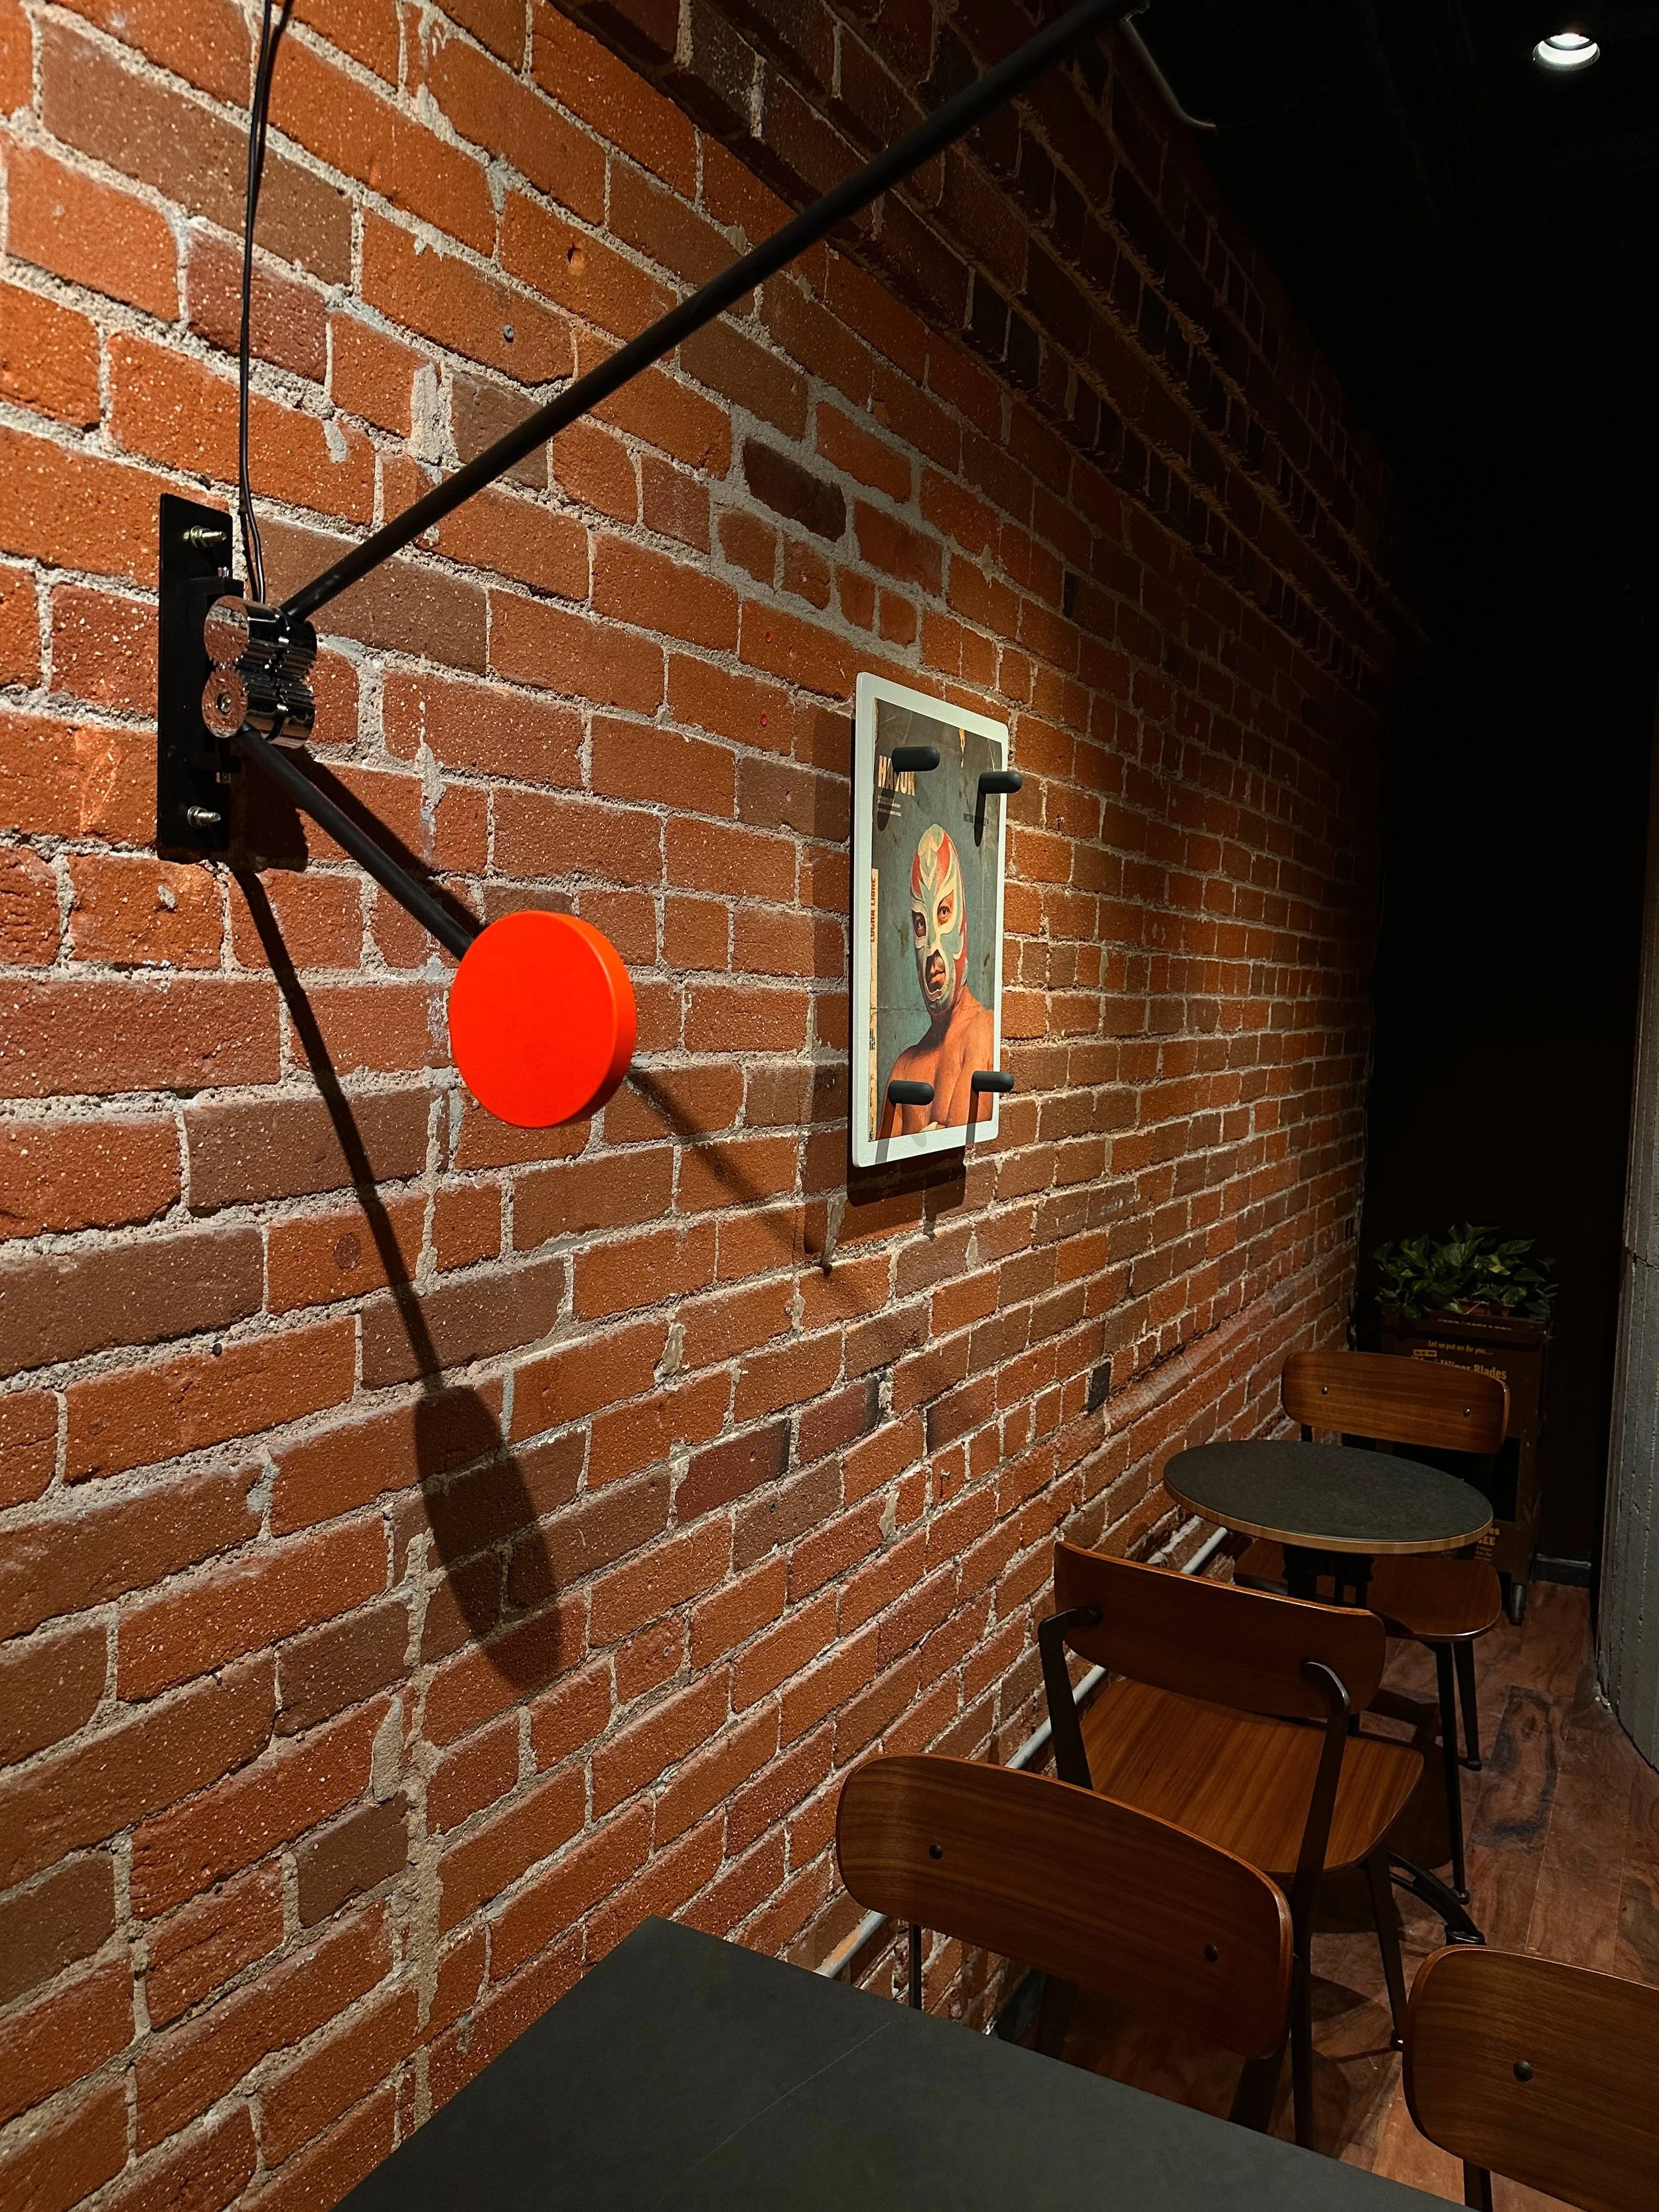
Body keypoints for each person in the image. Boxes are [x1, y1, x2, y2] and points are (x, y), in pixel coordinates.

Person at [879, 822, 994, 1136]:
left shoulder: (984, 1031)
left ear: (963, 923)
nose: (932, 949)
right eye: (920, 923)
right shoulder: (903, 1068)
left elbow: (964, 1146)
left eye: (943, 912)